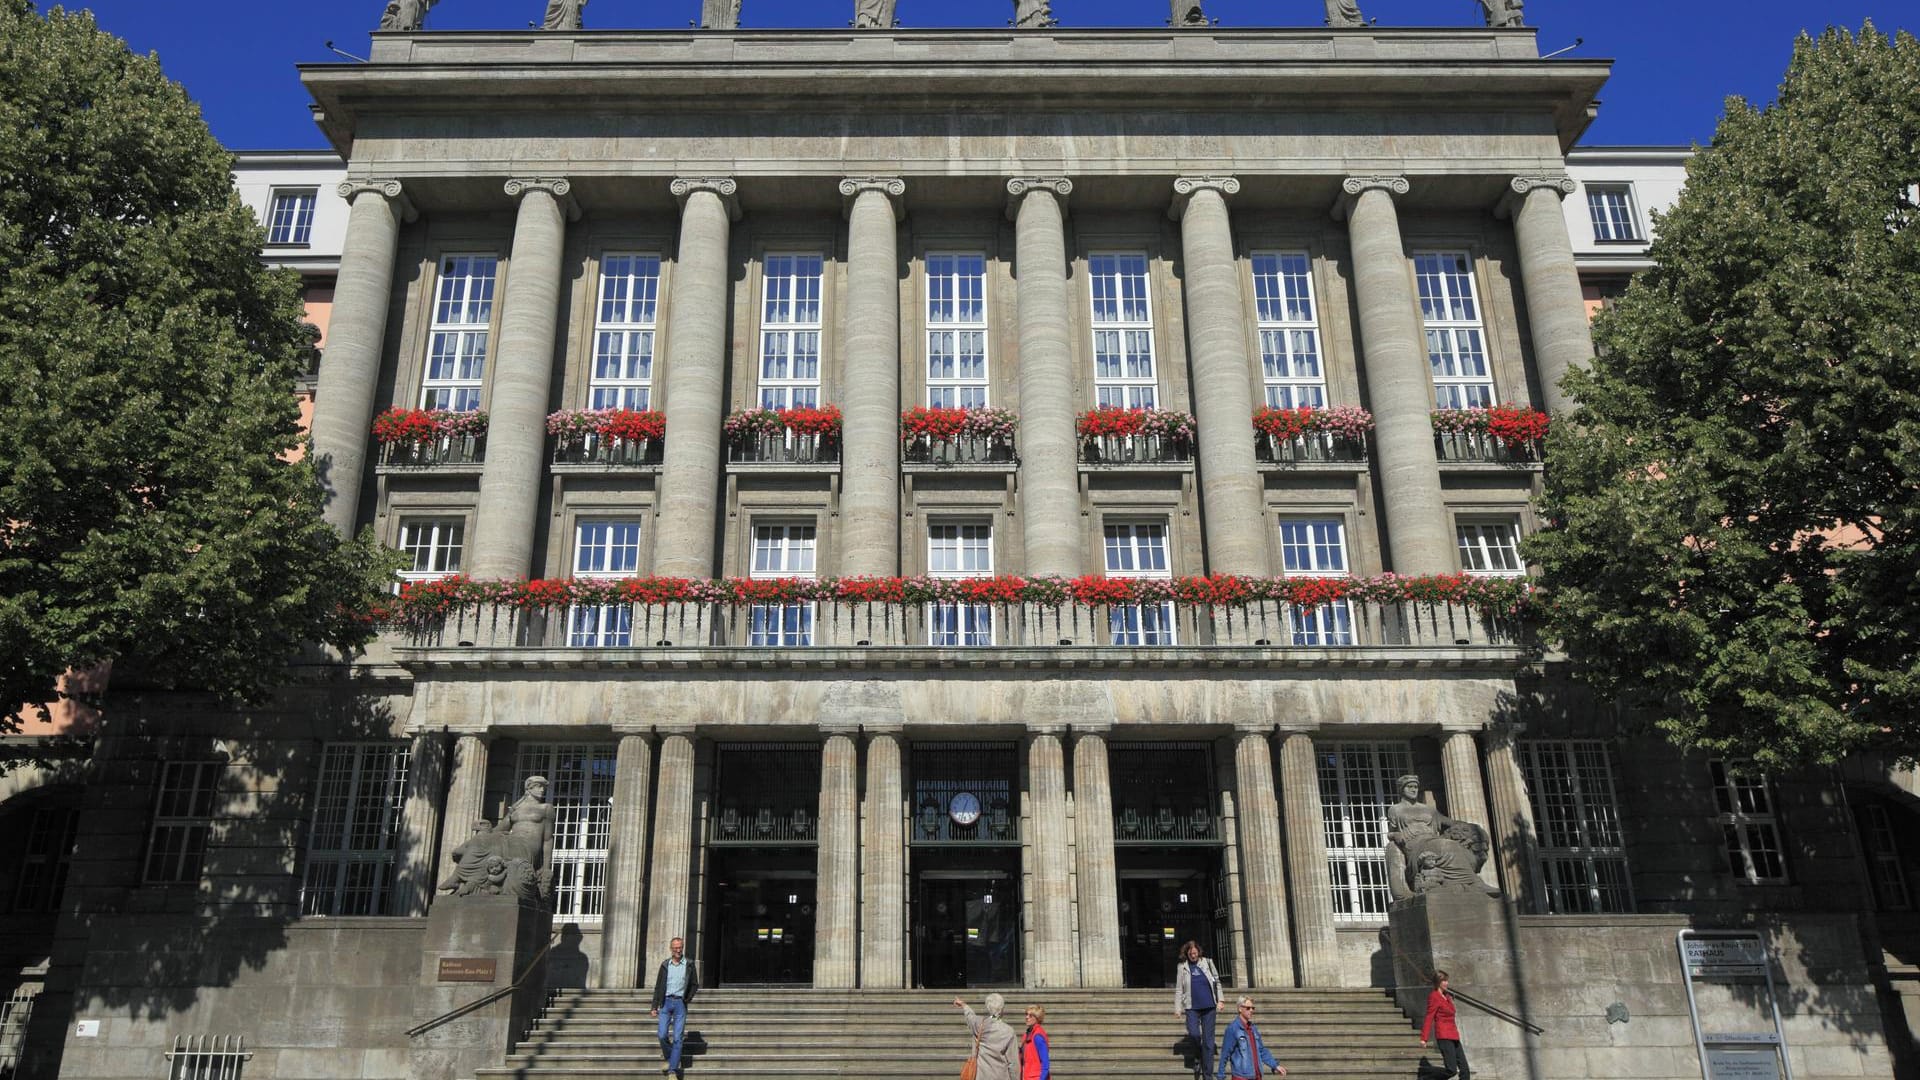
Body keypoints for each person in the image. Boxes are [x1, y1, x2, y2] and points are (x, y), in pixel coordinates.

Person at [649, 937, 699, 1078]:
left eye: (680, 947)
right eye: (675, 947)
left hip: (680, 1004)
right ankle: (671, 1057)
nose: (678, 950)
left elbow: (695, 984)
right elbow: (658, 986)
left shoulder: (689, 964)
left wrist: (687, 999)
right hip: (665, 1002)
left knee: (678, 1038)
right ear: (671, 949)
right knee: (662, 1034)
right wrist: (654, 1005)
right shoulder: (665, 965)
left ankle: (672, 1071)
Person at [1173, 939, 1223, 1078]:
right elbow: (1179, 989)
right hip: (1192, 1007)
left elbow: (1217, 982)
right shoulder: (1182, 967)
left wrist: (1221, 1000)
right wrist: (1178, 1008)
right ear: (1187, 954)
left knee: (1208, 1042)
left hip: (1209, 1007)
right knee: (1194, 1034)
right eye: (1190, 953)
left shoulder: (1207, 962)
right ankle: (1197, 1055)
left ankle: (1208, 1074)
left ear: (1198, 952)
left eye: (1195, 953)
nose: (1193, 956)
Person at [954, 993, 1020, 1080]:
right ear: (1002, 1008)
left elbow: (970, 1017)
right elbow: (1013, 1063)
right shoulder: (1009, 1031)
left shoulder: (979, 1024)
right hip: (1001, 1076)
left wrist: (964, 1005)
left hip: (981, 1075)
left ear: (987, 1007)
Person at [1217, 997, 1285, 1080]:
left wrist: (1275, 1065)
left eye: (1253, 1008)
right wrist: (1221, 1076)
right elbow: (1225, 1054)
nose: (1251, 1010)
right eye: (1248, 1008)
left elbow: (1261, 1050)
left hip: (1257, 1076)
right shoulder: (1233, 1029)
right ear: (1240, 1009)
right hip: (1241, 1077)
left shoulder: (1253, 1029)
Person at [1421, 970, 1471, 1079]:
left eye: (1447, 980)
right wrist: (1424, 1038)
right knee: (1451, 1070)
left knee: (1465, 1069)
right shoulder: (1434, 997)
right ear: (1438, 982)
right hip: (1444, 1036)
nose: (1447, 983)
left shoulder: (1447, 996)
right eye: (1444, 981)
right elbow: (1429, 1018)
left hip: (1454, 1035)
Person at [1022, 1004, 1050, 1080]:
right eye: (1026, 1014)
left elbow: (1045, 1065)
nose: (1027, 1017)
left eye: (1030, 1016)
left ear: (1037, 1018)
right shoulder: (1027, 1034)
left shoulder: (1038, 1036)